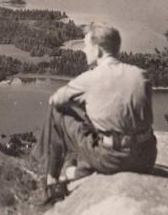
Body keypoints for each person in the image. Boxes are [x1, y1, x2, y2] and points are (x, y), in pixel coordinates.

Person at [33, 23, 157, 204]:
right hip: (146, 157)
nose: (83, 50)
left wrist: (84, 102)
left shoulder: (89, 79)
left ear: (98, 50)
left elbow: (56, 100)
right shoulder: (140, 75)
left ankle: (52, 182)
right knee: (105, 119)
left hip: (112, 159)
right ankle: (79, 171)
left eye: (86, 45)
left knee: (58, 111)